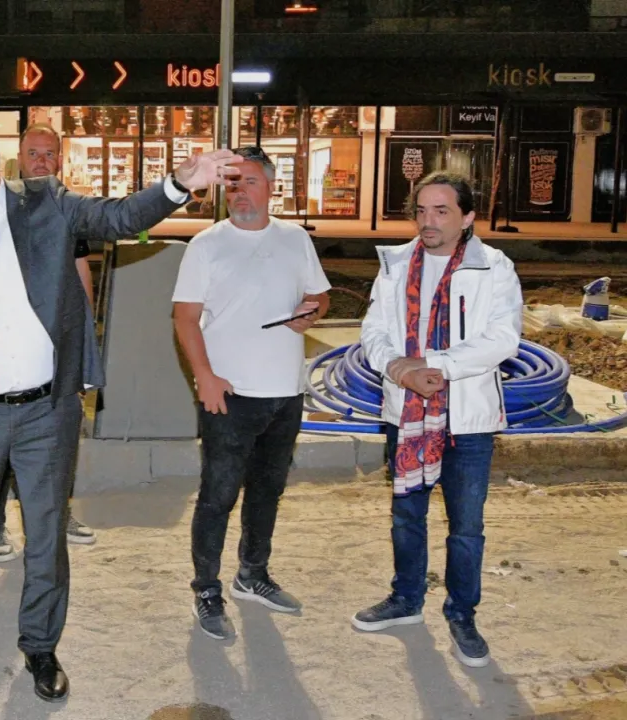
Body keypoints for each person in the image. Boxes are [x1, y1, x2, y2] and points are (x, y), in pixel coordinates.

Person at [0, 111, 237, 701]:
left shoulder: (47, 204)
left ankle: (40, 645)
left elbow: (120, 217)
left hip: (45, 411)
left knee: (46, 532)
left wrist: (179, 183)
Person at [353, 171, 522, 668]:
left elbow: (502, 338)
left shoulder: (493, 268)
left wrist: (435, 366)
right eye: (422, 210)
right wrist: (398, 370)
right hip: (406, 412)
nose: (428, 221)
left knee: (466, 525)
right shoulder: (395, 264)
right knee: (407, 514)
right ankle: (406, 598)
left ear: (467, 217)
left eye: (441, 211)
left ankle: (462, 614)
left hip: (467, 420)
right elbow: (373, 330)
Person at [171, 145, 331, 641]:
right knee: (218, 495)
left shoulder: (295, 238)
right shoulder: (206, 245)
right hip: (230, 394)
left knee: (268, 490)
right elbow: (185, 318)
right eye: (233, 183)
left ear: (271, 187)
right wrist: (204, 375)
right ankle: (206, 588)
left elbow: (320, 295)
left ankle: (253, 573)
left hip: (285, 392)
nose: (241, 193)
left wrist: (313, 311)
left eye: (251, 182)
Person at [0, 122, 98, 563]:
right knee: (4, 437)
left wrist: (82, 335)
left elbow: (80, 267)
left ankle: (56, 514)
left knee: (59, 435)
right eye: (34, 153)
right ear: (19, 158)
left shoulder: (66, 205)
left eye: (49, 154)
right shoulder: (0, 204)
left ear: (60, 159)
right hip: (11, 345)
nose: (42, 162)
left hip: (57, 342)